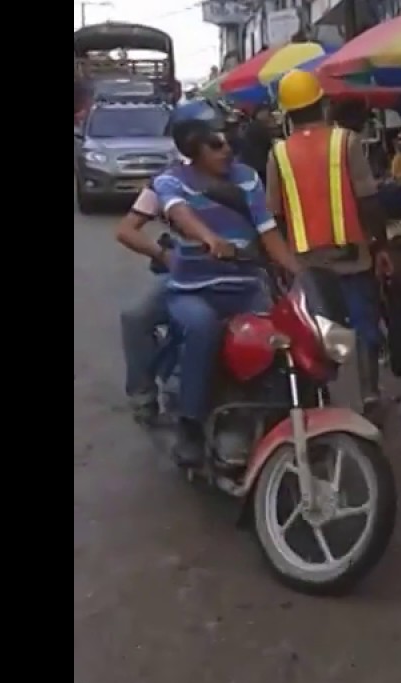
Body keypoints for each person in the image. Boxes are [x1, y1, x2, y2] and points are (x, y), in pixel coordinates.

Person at [152, 101, 302, 465]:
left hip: (247, 287)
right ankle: (190, 424)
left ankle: (276, 410)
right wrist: (209, 238)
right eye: (215, 144)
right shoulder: (170, 181)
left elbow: (269, 234)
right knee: (202, 328)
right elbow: (178, 212)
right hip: (193, 290)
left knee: (282, 334)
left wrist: (302, 277)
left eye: (228, 142)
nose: (227, 150)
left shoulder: (247, 178)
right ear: (192, 147)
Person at [263, 69, 393, 418]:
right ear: (322, 104)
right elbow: (368, 200)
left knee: (316, 331)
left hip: (305, 262)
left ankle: (320, 400)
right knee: (364, 327)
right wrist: (380, 245)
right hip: (352, 257)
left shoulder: (279, 154)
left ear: (288, 113)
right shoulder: (346, 142)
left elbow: (275, 215)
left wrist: (282, 261)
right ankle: (369, 395)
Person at [114, 185, 173, 426]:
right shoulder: (166, 183)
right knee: (135, 318)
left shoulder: (247, 179)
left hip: (244, 273)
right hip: (186, 274)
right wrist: (165, 256)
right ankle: (143, 397)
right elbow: (126, 230)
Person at [239, 104, 275, 181]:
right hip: (260, 167)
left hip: (253, 166)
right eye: (269, 114)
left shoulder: (252, 126)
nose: (271, 116)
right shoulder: (258, 128)